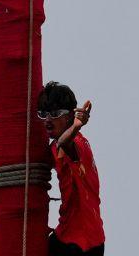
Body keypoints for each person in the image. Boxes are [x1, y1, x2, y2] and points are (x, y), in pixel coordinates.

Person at [39, 82, 104, 256]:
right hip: (73, 234)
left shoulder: (76, 143)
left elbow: (64, 144)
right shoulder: (55, 147)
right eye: (43, 114)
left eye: (54, 114)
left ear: (69, 116)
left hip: (81, 241)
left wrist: (76, 126)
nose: (47, 120)